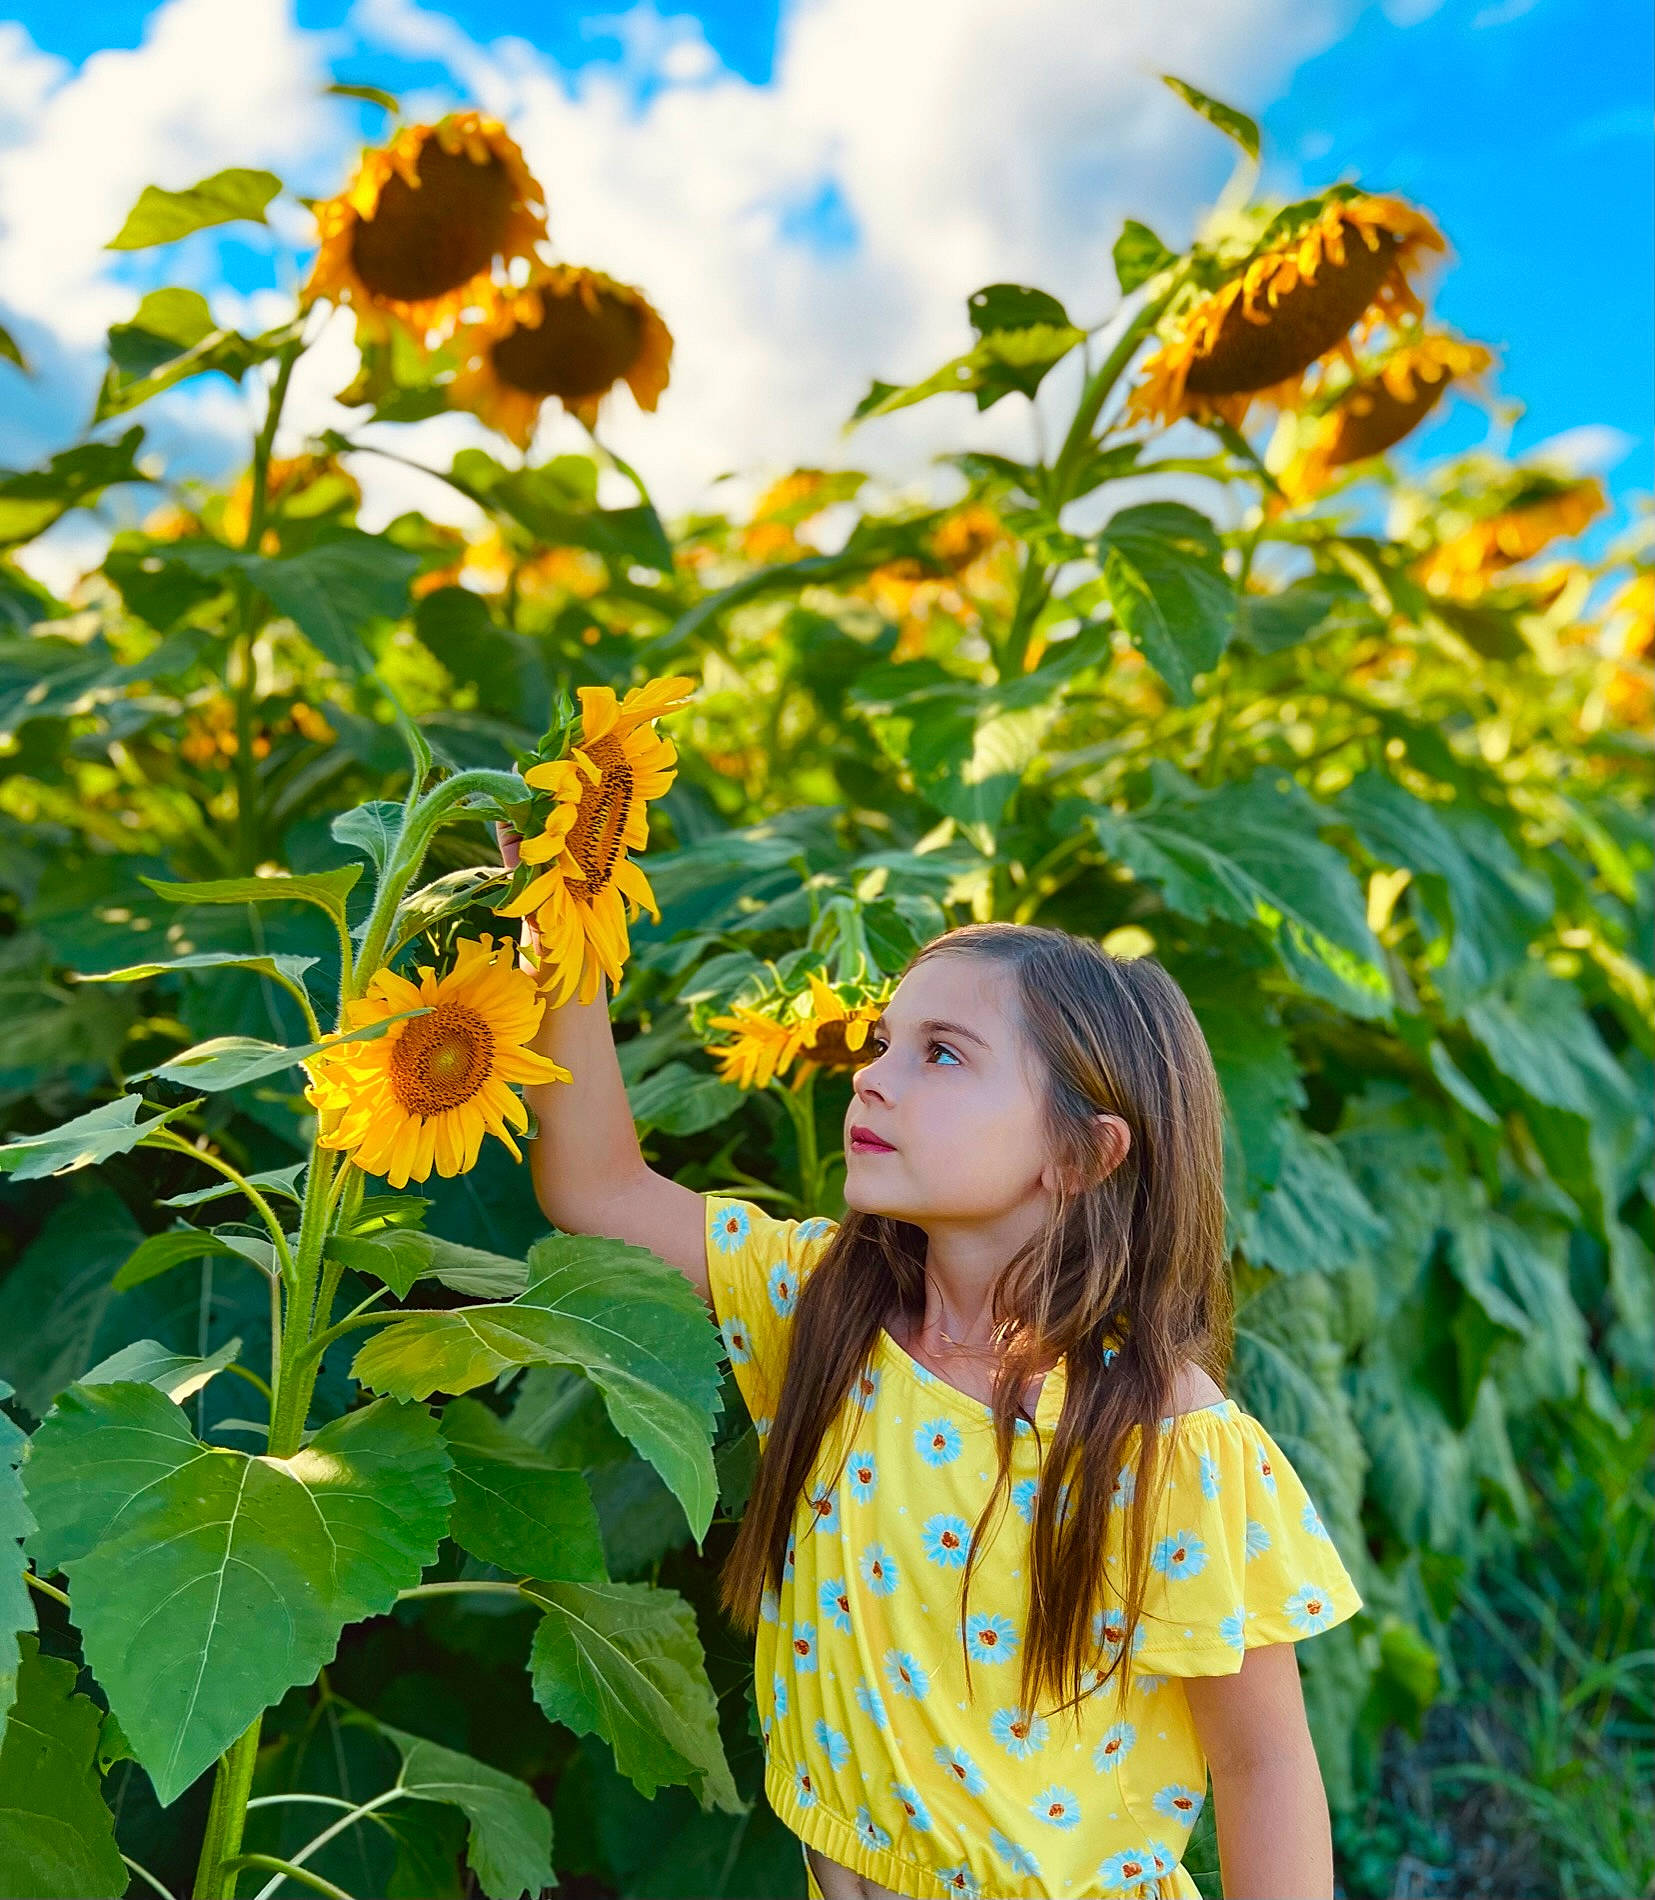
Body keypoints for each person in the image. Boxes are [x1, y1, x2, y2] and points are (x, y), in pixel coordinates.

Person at [504, 858, 1361, 1900]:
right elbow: (595, 1185)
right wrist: (566, 927)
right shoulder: (822, 1308)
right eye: (881, 1044)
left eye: (941, 1054)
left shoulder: (1161, 1436)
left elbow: (1259, 1760)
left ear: (1081, 1154)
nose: (869, 1075)